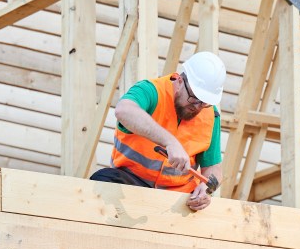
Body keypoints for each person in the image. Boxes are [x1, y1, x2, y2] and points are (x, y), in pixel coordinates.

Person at [90, 51, 226, 211]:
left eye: (204, 102)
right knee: (102, 182)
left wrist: (207, 189)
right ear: (180, 80)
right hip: (132, 183)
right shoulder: (151, 91)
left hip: (179, 197)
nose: (197, 106)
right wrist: (170, 142)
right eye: (194, 98)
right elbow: (123, 110)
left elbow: (214, 167)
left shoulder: (211, 116)